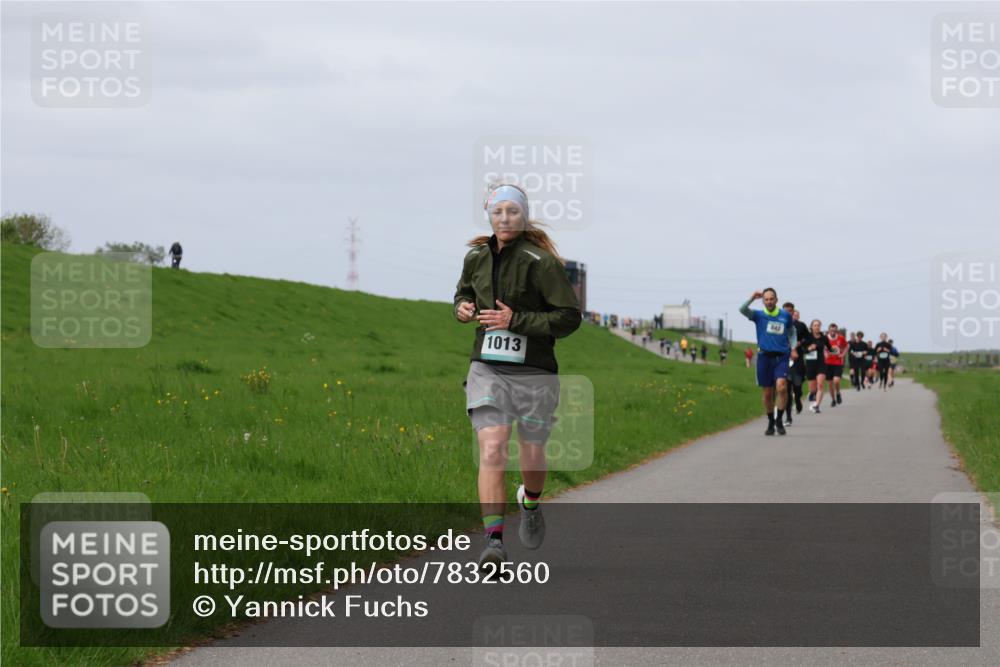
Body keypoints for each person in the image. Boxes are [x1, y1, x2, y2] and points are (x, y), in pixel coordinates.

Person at [454, 183, 581, 569]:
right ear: (488, 215)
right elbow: (462, 292)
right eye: (497, 212)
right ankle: (493, 542)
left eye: (512, 211)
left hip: (535, 370)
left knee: (531, 451)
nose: (504, 218)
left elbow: (568, 318)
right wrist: (461, 307)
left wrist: (516, 320)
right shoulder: (475, 257)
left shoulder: (540, 262)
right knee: (492, 448)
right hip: (487, 366)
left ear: (523, 216)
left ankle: (530, 501)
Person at [739, 287, 796, 436]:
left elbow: (792, 331)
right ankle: (771, 421)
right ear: (763, 301)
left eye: (772, 299)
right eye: (766, 299)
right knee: (767, 394)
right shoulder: (758, 315)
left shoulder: (785, 316)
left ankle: (779, 420)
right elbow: (742, 309)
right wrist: (752, 297)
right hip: (764, 357)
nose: (769, 301)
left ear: (776, 300)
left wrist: (794, 347)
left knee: (782, 387)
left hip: (782, 356)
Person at [781, 303, 809, 425]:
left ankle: (798, 399)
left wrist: (800, 344)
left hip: (797, 360)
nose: (788, 312)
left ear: (793, 312)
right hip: (783, 358)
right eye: (785, 310)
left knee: (797, 387)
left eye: (790, 311)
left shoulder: (800, 326)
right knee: (787, 389)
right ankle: (788, 417)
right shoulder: (779, 323)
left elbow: (808, 339)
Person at [803, 319, 832, 413]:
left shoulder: (824, 338)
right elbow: (802, 350)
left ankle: (817, 405)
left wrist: (834, 350)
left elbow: (830, 348)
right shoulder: (807, 337)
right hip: (810, 364)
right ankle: (811, 394)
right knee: (812, 389)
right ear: (811, 327)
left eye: (818, 325)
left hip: (821, 363)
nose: (817, 327)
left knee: (820, 384)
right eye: (815, 325)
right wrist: (809, 348)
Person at [824, 323, 848, 407]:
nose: (833, 332)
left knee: (836, 380)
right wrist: (824, 354)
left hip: (838, 363)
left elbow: (846, 346)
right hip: (827, 363)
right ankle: (833, 400)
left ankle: (838, 393)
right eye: (831, 330)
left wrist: (843, 354)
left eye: (834, 330)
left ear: (836, 330)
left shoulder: (841, 338)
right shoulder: (825, 338)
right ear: (829, 330)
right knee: (830, 383)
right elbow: (822, 347)